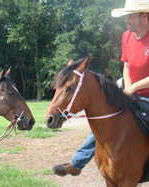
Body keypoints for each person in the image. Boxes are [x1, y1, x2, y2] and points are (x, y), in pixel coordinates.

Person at [53, 0, 149, 177]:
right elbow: (126, 65)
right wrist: (128, 88)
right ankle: (77, 163)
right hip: (130, 90)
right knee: (106, 122)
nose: (126, 20)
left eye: (130, 16)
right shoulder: (127, 36)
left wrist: (133, 88)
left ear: (144, 15)